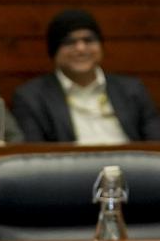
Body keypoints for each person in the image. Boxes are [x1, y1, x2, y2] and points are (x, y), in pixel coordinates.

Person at [12, 8, 160, 143]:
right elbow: (34, 154)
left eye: (88, 40)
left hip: (131, 163)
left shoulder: (131, 89)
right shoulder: (32, 97)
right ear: (54, 52)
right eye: (69, 42)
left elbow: (155, 144)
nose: (81, 48)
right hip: (69, 164)